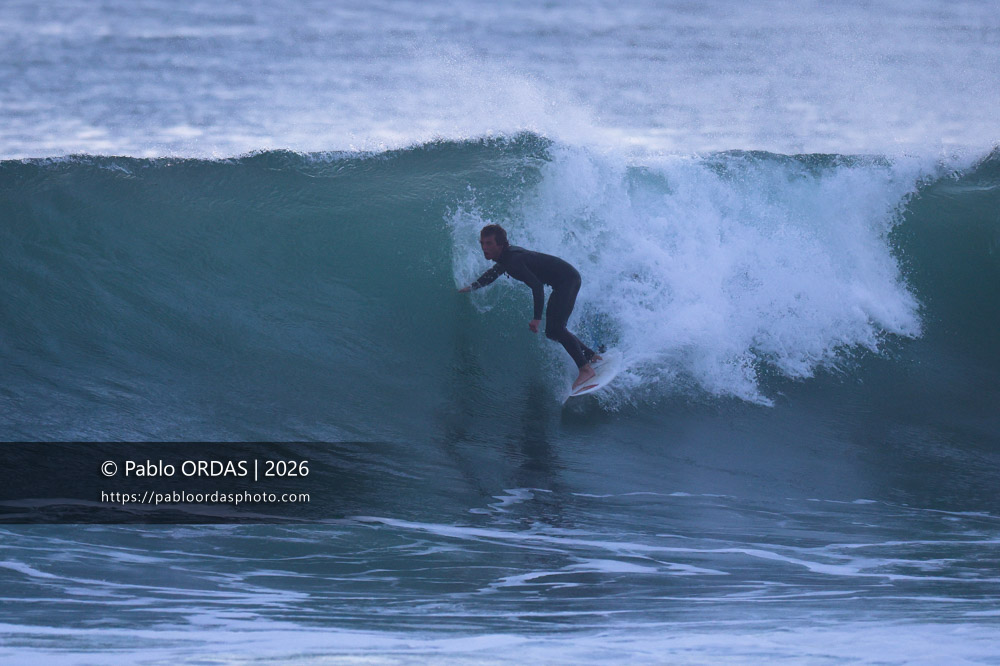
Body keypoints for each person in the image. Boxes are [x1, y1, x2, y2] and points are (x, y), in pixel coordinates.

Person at [459, 224, 601, 389]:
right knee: (553, 331)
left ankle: (585, 369)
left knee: (557, 328)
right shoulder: (506, 258)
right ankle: (590, 356)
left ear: (501, 244)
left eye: (489, 243)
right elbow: (494, 273)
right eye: (482, 243)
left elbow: (537, 286)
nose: (484, 247)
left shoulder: (512, 260)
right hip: (563, 281)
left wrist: (536, 318)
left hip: (567, 280)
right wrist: (471, 287)